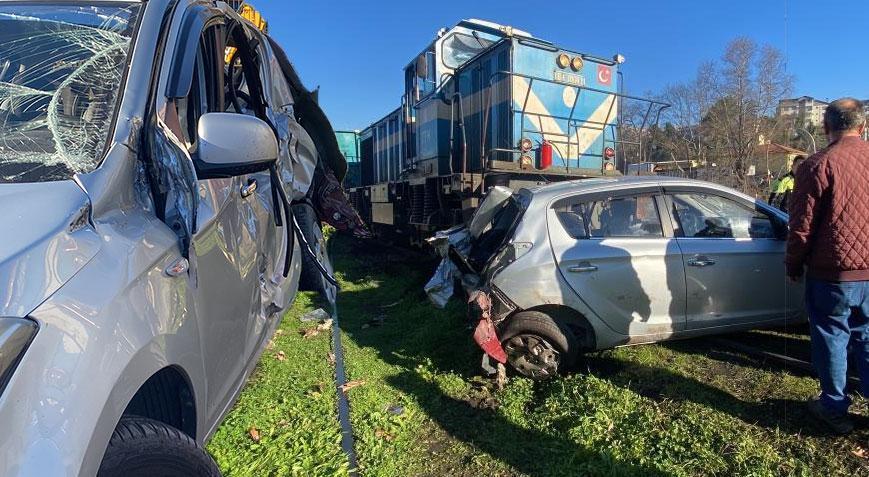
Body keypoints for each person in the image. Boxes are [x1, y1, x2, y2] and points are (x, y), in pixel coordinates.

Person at [786, 98, 869, 434]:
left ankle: (833, 407)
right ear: (862, 127)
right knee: (867, 337)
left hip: (833, 273)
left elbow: (800, 226)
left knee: (832, 337)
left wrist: (793, 262)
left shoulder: (817, 165)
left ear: (826, 127)